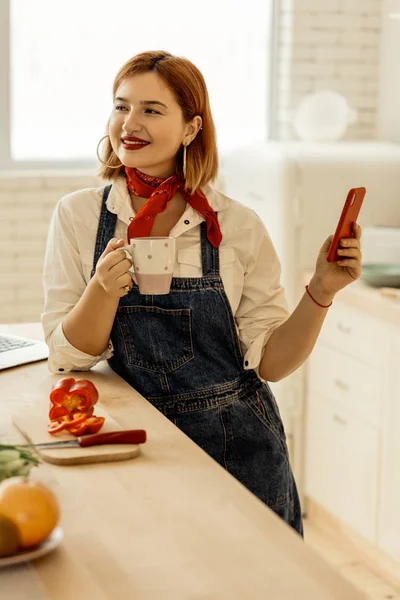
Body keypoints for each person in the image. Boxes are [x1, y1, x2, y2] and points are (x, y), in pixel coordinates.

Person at [42, 51, 362, 537]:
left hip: (240, 447)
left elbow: (270, 364)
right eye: (121, 106)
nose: (130, 123)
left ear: (191, 128)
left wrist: (320, 290)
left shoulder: (237, 226)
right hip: (136, 444)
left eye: (152, 109)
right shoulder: (80, 216)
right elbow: (69, 357)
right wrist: (103, 291)